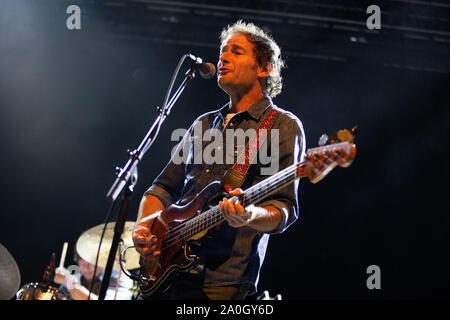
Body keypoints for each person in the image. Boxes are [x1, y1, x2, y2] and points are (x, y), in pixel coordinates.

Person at [132, 20, 306, 300]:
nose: (223, 57)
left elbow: (284, 210)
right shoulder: (202, 124)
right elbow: (162, 189)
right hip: (164, 275)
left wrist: (250, 215)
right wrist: (144, 227)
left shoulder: (282, 126)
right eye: (222, 51)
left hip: (223, 285)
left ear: (264, 68)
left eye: (236, 52)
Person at [54, 252, 134, 300]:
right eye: (82, 262)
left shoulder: (120, 275)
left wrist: (69, 281)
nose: (86, 267)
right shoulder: (75, 277)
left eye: (91, 262)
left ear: (102, 261)